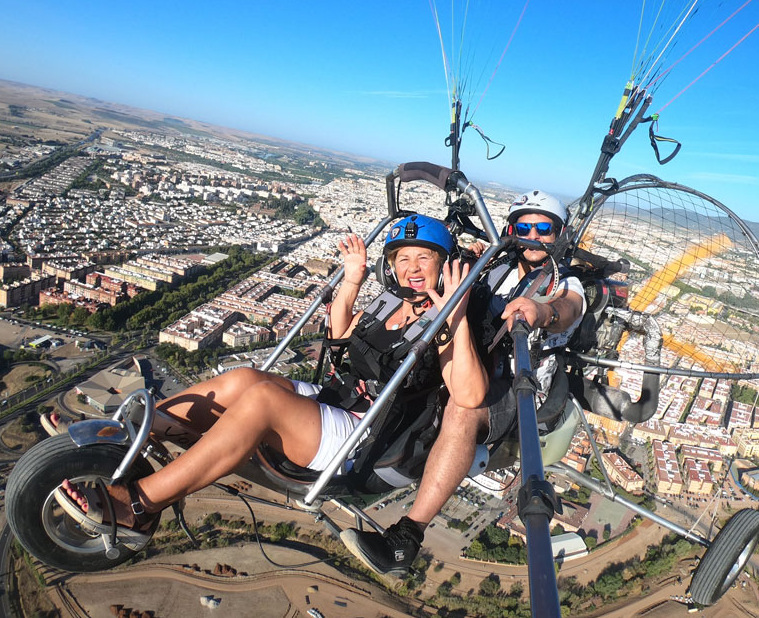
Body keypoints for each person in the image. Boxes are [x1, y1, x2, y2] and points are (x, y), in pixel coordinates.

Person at [50, 214, 488, 552]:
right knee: (243, 379)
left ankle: (139, 508)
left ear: (442, 265)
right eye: (403, 258)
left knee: (261, 400)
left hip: (364, 437)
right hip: (334, 400)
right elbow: (338, 344)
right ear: (390, 267)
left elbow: (469, 396)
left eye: (424, 258)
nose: (413, 268)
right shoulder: (391, 301)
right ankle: (132, 436)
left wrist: (456, 315)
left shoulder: (445, 321)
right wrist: (351, 280)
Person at [340, 190, 587, 575]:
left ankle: (407, 538)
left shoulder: (565, 282)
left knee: (462, 407)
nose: (533, 235)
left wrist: (541, 312)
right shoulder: (499, 267)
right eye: (524, 226)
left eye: (544, 228)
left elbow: (567, 310)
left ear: (560, 233)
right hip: (478, 360)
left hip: (517, 385)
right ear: (511, 230)